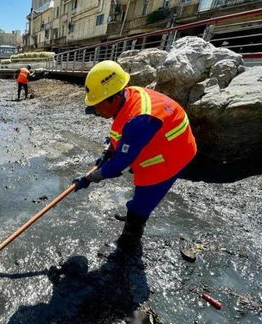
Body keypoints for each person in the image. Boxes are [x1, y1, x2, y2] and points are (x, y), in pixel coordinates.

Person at [73, 60, 197, 251]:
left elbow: (120, 164)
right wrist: (107, 153)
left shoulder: (140, 119)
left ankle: (131, 235)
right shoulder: (127, 97)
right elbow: (119, 138)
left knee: (144, 199)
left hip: (171, 156)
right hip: (155, 140)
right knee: (139, 191)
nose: (96, 112)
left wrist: (90, 177)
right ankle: (134, 216)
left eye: (97, 106)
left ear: (113, 98)